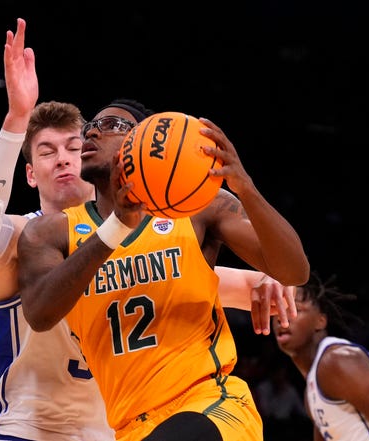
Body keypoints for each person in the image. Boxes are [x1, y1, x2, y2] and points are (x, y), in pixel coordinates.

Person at [0, 18, 298, 441]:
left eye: (73, 144)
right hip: (30, 428)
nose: (66, 156)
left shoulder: (164, 226)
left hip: (116, 430)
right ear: (29, 174)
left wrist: (267, 280)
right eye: (47, 151)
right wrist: (17, 118)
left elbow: (209, 280)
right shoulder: (28, 235)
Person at [17, 74, 310, 439]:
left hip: (212, 404)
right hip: (130, 428)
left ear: (143, 141)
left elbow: (294, 270)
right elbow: (40, 313)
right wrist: (117, 227)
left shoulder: (200, 210)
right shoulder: (48, 233)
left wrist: (245, 188)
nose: (90, 133)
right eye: (89, 127)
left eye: (110, 125)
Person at [271, 272, 369, 440]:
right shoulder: (312, 390)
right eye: (277, 310)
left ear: (321, 321)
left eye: (295, 310)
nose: (283, 318)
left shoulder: (338, 361)